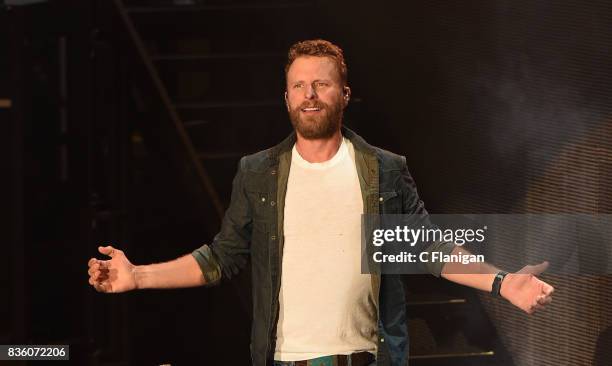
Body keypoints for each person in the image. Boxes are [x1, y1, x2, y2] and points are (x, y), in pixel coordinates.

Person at [87, 39, 554, 366]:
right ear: (286, 97)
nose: (309, 95)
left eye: (322, 84)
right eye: (298, 85)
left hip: (368, 359)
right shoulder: (258, 173)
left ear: (344, 94)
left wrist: (502, 282)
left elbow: (427, 248)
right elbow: (221, 259)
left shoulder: (383, 169)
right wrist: (137, 276)